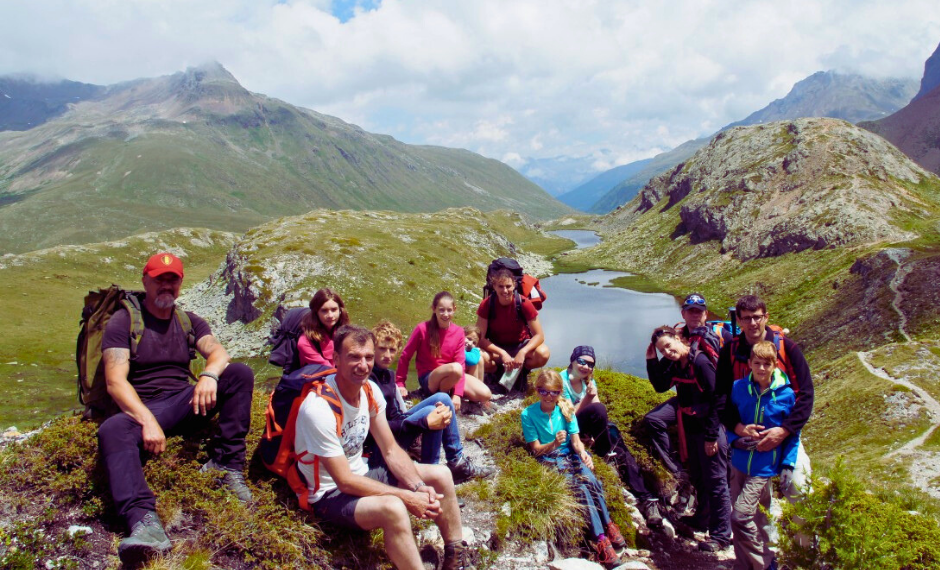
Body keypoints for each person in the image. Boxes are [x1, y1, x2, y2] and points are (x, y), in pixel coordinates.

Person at [98, 253, 255, 564]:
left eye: (173, 279)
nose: (166, 286)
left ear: (180, 284)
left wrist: (209, 375)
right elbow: (115, 382)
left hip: (184, 401)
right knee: (112, 429)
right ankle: (144, 521)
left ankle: (226, 466)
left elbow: (219, 353)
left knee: (239, 373)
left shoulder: (189, 321)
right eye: (159, 279)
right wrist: (147, 421)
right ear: (145, 281)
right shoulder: (123, 321)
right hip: (145, 405)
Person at [294, 325, 474, 570]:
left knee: (441, 474)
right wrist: (408, 497)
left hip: (363, 473)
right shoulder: (319, 409)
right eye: (354, 357)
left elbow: (390, 449)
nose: (363, 365)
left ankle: (455, 556)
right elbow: (344, 481)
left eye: (368, 357)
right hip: (329, 495)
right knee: (394, 508)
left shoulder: (369, 390)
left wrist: (417, 486)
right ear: (336, 358)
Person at [521, 370, 625, 567]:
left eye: (554, 392)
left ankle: (608, 523)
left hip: (570, 454)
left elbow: (576, 442)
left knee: (592, 481)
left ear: (560, 392)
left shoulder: (566, 409)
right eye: (544, 391)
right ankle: (600, 539)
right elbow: (536, 449)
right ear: (537, 391)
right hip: (550, 459)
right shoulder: (528, 414)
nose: (549, 396)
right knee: (581, 489)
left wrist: (583, 454)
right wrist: (554, 443)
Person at [368, 320, 493, 483]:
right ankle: (431, 471)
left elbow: (396, 414)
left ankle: (456, 461)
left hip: (396, 428)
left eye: (392, 350)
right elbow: (377, 427)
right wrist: (421, 421)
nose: (387, 355)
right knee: (432, 412)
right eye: (382, 348)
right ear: (372, 348)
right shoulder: (369, 378)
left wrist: (417, 420)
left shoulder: (387, 375)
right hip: (381, 442)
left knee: (443, 399)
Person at [716, 295, 813, 498]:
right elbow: (721, 397)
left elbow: (805, 395)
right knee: (752, 502)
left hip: (785, 432)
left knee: (798, 489)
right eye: (746, 318)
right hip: (746, 436)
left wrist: (784, 430)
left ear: (766, 317)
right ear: (739, 321)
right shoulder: (729, 352)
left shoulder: (787, 348)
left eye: (757, 317)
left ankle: (806, 520)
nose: (752, 323)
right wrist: (738, 428)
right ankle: (768, 518)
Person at [646, 326, 732, 552]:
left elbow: (718, 398)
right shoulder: (677, 363)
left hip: (709, 430)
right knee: (700, 478)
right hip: (692, 428)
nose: (667, 352)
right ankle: (702, 520)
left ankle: (721, 535)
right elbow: (660, 386)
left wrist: (712, 436)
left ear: (678, 338)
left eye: (668, 345)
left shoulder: (700, 362)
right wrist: (652, 360)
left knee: (716, 482)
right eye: (662, 350)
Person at [562, 346, 664, 528]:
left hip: (587, 430)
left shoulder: (588, 381)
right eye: (582, 361)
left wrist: (595, 434)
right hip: (569, 428)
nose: (586, 367)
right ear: (573, 360)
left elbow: (599, 414)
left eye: (590, 364)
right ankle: (606, 454)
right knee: (601, 415)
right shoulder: (561, 381)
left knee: (617, 440)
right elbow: (569, 417)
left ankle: (646, 498)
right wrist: (587, 398)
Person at [728, 341, 800, 570]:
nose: (761, 368)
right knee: (758, 517)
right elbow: (729, 419)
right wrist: (734, 438)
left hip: (764, 467)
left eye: (766, 364)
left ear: (775, 365)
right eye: (757, 363)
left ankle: (764, 562)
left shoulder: (786, 394)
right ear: (749, 363)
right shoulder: (738, 388)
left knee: (740, 517)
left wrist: (788, 463)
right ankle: (743, 565)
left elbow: (792, 433)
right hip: (739, 462)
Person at [643, 294, 720, 497]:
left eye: (699, 311)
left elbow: (719, 391)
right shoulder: (674, 342)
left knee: (710, 465)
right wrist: (651, 360)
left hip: (711, 402)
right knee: (653, 419)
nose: (695, 315)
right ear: (683, 314)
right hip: (685, 401)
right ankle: (677, 471)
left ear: (706, 313)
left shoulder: (718, 338)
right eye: (690, 311)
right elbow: (661, 385)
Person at [397, 292, 491, 412]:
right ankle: (442, 396)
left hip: (452, 377)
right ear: (434, 309)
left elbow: (461, 362)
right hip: (429, 378)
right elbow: (405, 356)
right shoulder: (422, 329)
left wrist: (457, 394)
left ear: (454, 309)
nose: (445, 314)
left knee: (485, 394)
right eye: (441, 310)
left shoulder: (458, 332)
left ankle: (447, 393)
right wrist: (400, 383)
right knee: (456, 368)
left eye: (449, 310)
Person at [475, 268, 550, 383]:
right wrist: (502, 353)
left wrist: (523, 352)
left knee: (543, 353)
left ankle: (521, 371)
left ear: (514, 285)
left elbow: (539, 335)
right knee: (478, 356)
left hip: (520, 345)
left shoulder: (524, 303)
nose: (505, 290)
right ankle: (496, 372)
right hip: (496, 348)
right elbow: (479, 337)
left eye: (508, 286)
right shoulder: (487, 304)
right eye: (500, 286)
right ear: (494, 286)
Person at [297, 288, 350, 367]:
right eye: (324, 310)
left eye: (334, 310)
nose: (330, 315)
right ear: (316, 313)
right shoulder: (305, 342)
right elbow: (327, 369)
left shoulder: (346, 333)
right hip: (316, 373)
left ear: (340, 310)